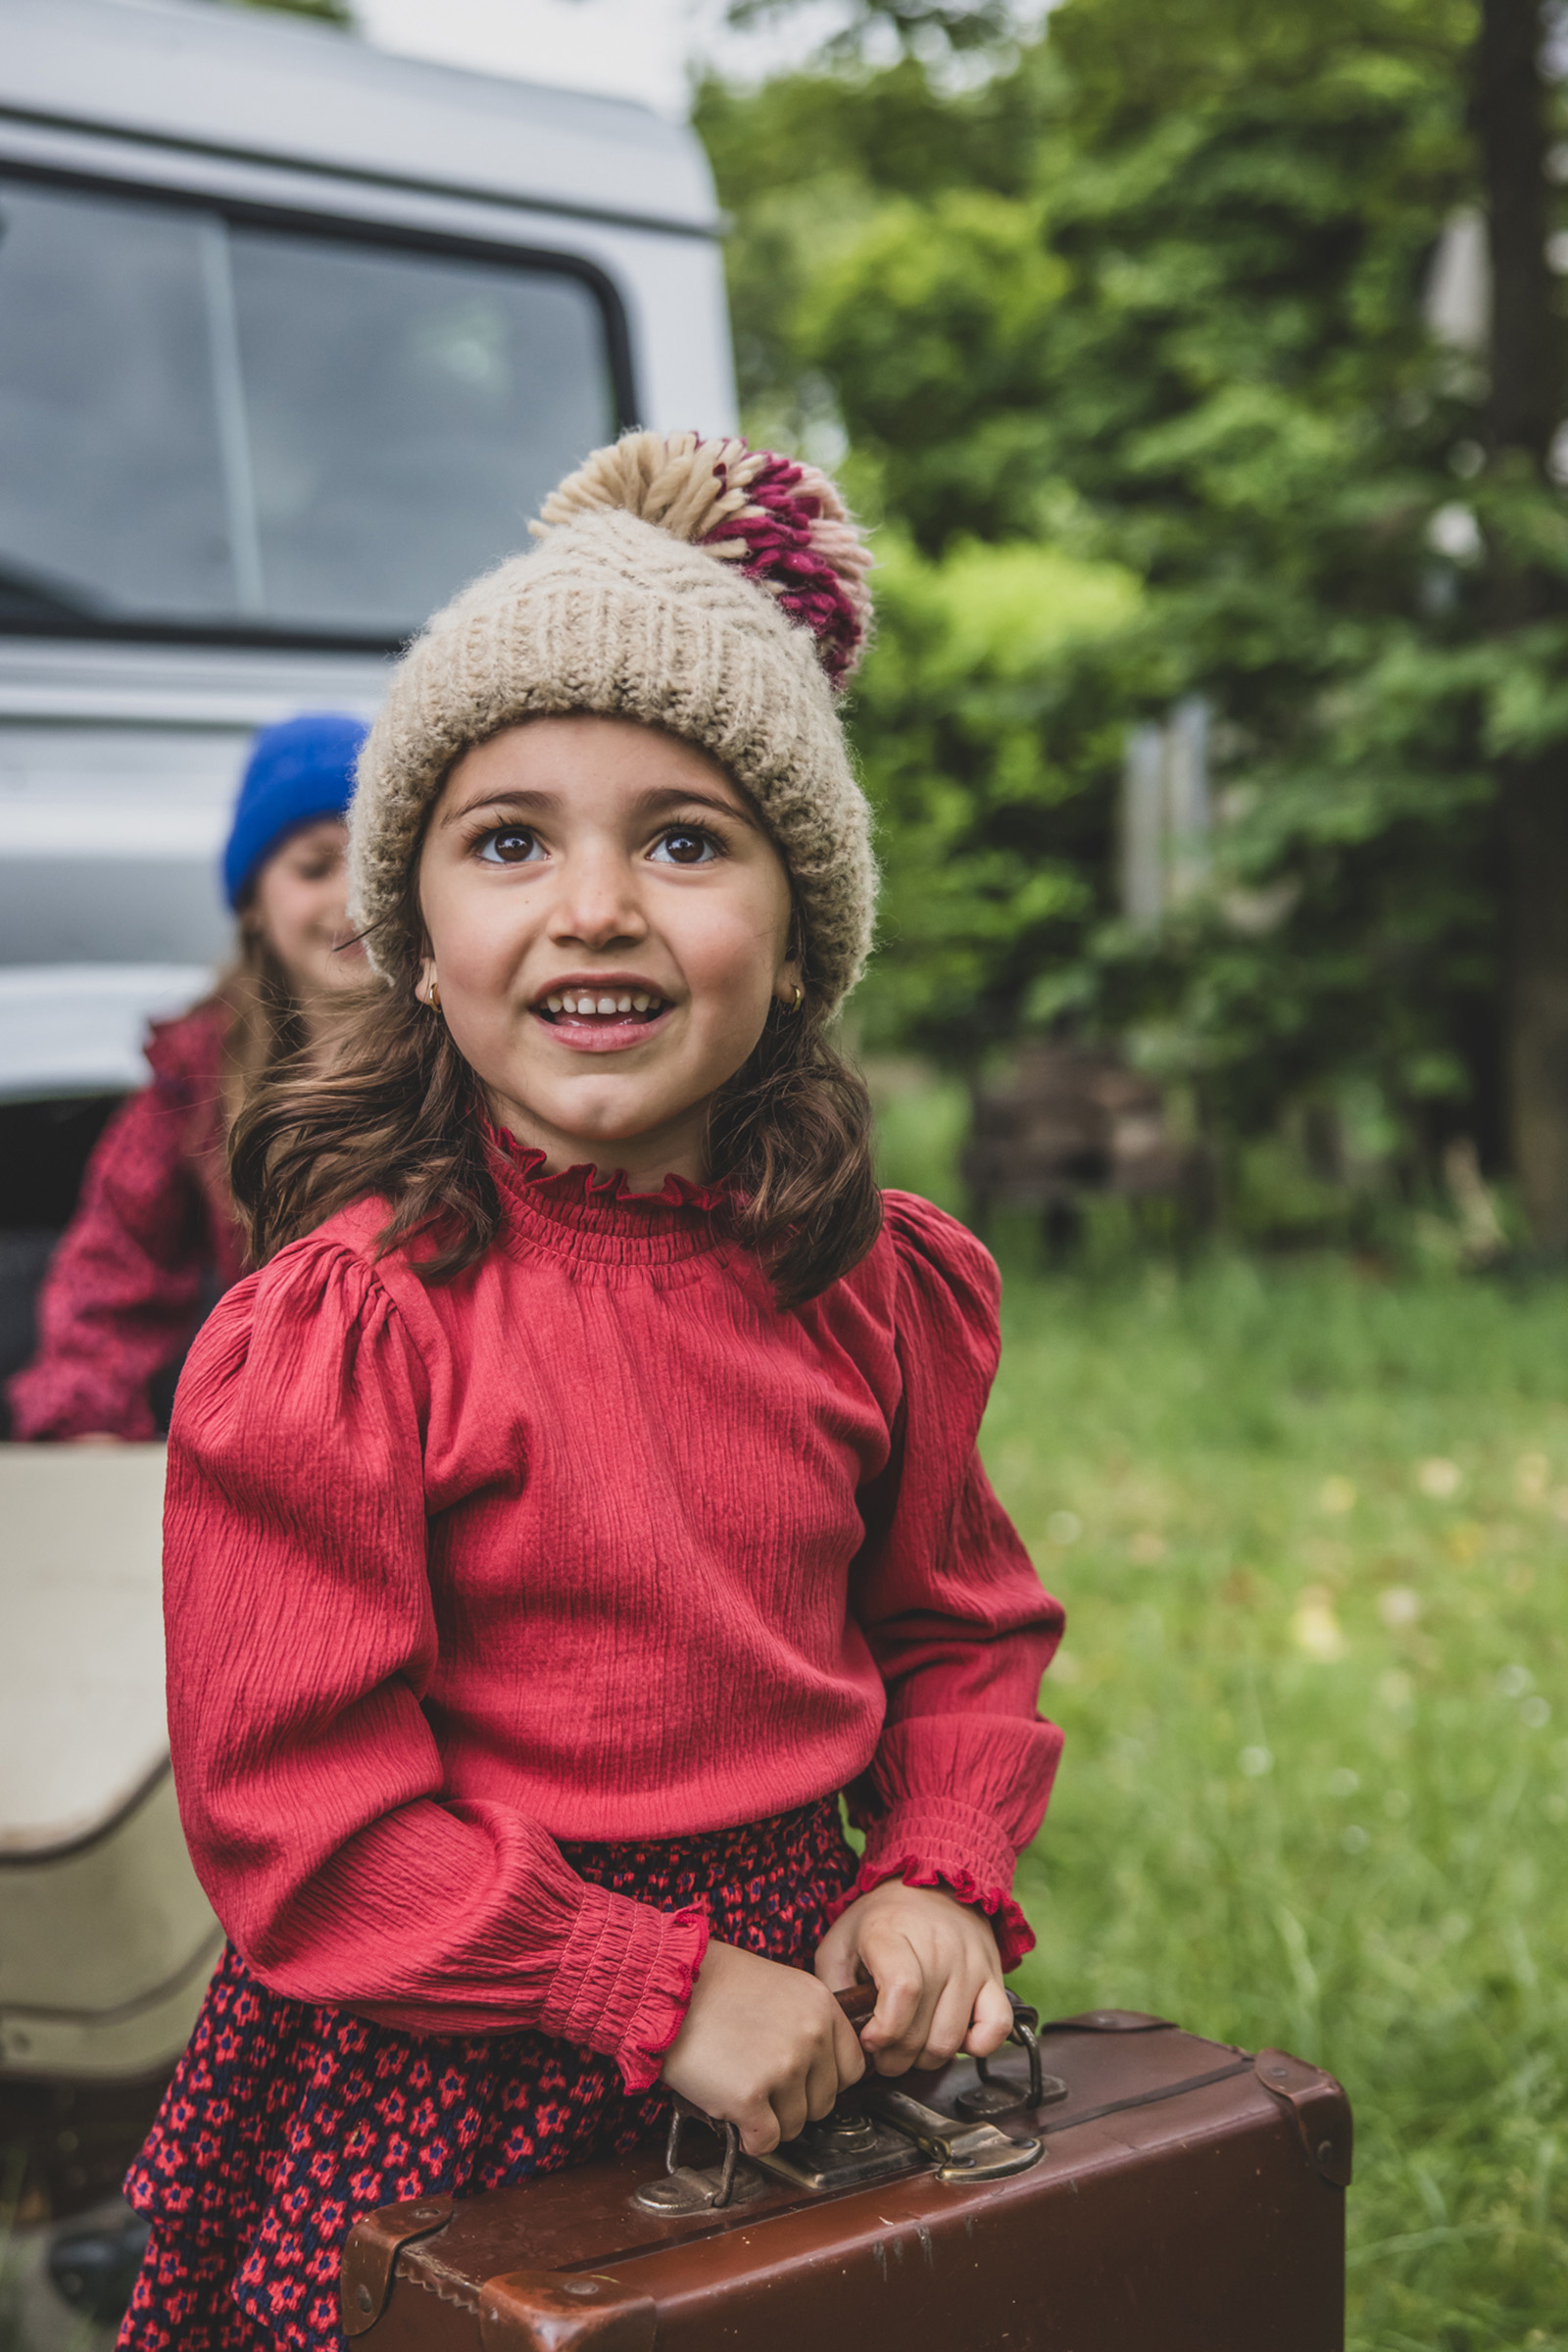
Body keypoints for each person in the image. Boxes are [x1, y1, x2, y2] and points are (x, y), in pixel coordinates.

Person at [118, 434, 1066, 2352]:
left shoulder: (874, 1286)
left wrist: (936, 1879)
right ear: (420, 930)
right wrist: (647, 1985)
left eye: (686, 839)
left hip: (811, 2019)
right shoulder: (348, 1329)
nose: (595, 905)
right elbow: (306, 1823)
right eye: (509, 839)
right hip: (454, 2054)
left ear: (798, 935)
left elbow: (958, 1629)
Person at [6, 713, 368, 1443]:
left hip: (449, 1422)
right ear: (253, 907)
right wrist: (87, 1415)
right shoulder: (195, 1078)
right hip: (279, 1436)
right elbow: (113, 1272)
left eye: (377, 865)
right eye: (316, 866)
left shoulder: (467, 1046)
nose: (352, 900)